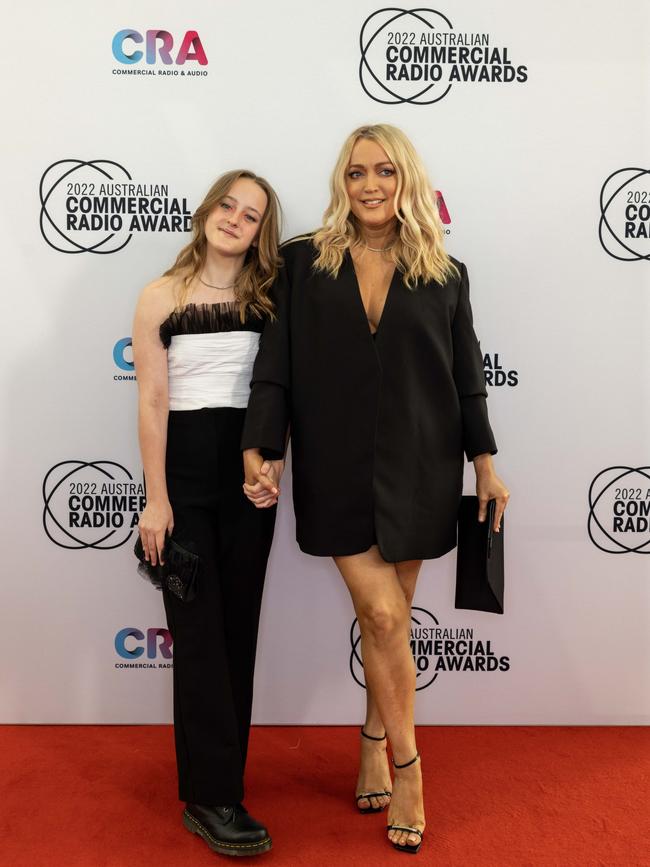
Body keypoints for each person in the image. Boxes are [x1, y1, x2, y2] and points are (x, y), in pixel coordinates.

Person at [241, 124, 509, 855]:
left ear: (407, 180)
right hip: (333, 468)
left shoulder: (444, 272)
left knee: (385, 621)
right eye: (356, 173)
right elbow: (276, 366)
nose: (369, 186)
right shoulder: (303, 264)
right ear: (341, 182)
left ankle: (369, 736)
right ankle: (409, 766)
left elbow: (466, 377)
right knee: (386, 618)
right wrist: (261, 447)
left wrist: (484, 460)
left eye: (384, 172)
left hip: (422, 468)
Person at [133, 169, 282, 857]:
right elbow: (154, 403)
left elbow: (279, 391)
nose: (235, 219)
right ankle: (214, 797)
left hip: (248, 477)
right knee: (196, 636)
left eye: (250, 215)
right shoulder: (160, 295)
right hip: (185, 479)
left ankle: (215, 785)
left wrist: (271, 459)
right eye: (228, 204)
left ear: (260, 232)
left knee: (236, 633)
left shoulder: (269, 298)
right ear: (206, 209)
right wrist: (156, 498)